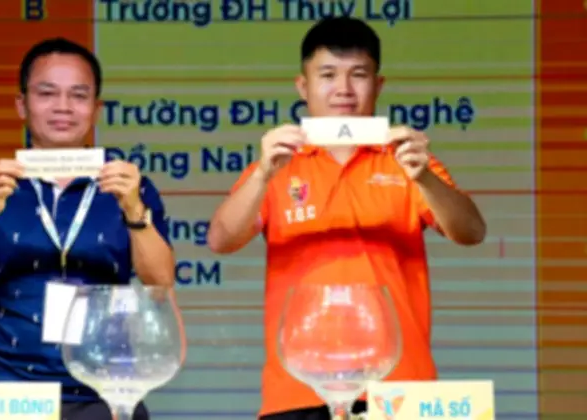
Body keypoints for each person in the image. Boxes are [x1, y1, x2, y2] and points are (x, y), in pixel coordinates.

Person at [206, 17, 487, 420]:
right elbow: (221, 240)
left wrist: (423, 175)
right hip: (298, 390)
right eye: (327, 75)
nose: (343, 89)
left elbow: (472, 232)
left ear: (379, 84)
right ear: (302, 86)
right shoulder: (277, 163)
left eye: (358, 74)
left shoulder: (405, 159)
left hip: (398, 389)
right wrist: (263, 173)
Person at [0, 37, 175, 420]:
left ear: (96, 109)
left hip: (106, 391)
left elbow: (160, 283)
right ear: (22, 105)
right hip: (4, 390)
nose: (63, 107)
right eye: (47, 93)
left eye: (79, 95)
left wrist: (133, 209)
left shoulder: (129, 185)